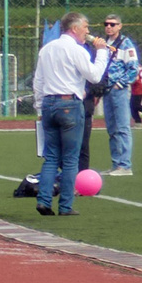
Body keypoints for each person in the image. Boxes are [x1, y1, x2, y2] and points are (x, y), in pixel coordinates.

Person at [32, 14, 111, 215]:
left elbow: (38, 81)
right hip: (69, 104)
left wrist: (40, 106)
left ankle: (44, 200)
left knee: (50, 157)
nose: (88, 31)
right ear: (74, 28)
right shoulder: (77, 50)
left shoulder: (47, 49)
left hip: (49, 103)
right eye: (85, 27)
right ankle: (65, 206)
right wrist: (102, 53)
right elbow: (94, 75)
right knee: (70, 158)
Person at [98, 14, 139, 175]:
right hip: (106, 90)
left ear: (120, 26)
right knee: (112, 128)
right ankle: (116, 164)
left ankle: (125, 165)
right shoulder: (104, 43)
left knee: (122, 127)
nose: (109, 27)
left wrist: (119, 84)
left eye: (113, 24)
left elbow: (133, 68)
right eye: (106, 24)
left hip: (118, 90)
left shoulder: (126, 44)